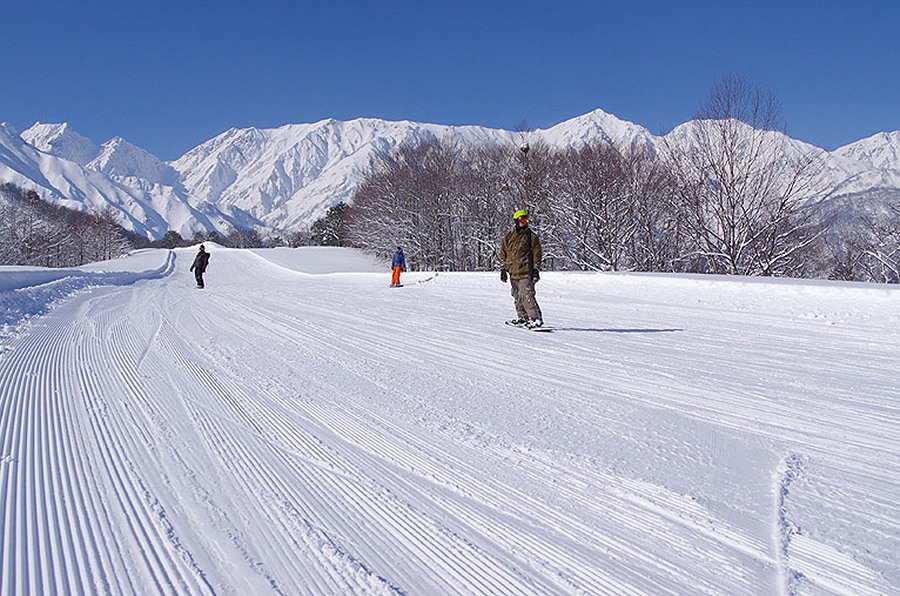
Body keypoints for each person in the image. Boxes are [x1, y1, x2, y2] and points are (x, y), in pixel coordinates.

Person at [499, 209, 543, 327]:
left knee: (527, 295)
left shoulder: (531, 237)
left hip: (526, 272)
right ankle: (522, 317)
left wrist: (536, 269)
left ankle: (535, 318)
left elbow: (537, 253)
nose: (524, 222)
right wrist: (503, 269)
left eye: (526, 220)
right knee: (517, 295)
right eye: (522, 220)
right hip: (513, 272)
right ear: (516, 221)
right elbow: (503, 253)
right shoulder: (508, 237)